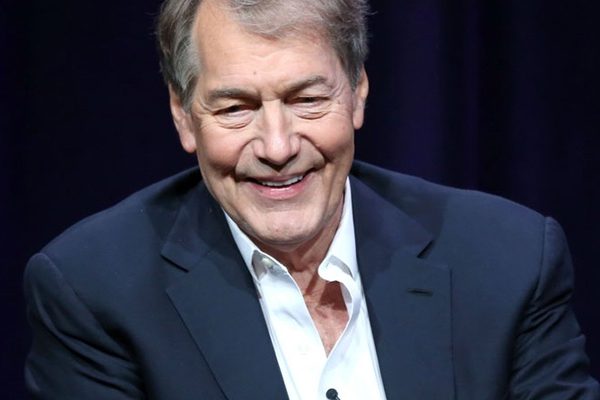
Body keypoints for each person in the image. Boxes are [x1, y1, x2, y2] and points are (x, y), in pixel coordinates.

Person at [24, 0, 599, 399]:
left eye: (307, 100)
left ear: (358, 94)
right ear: (183, 116)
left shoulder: (509, 261)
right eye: (236, 108)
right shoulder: (95, 291)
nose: (277, 147)